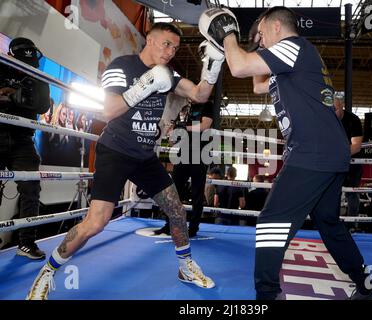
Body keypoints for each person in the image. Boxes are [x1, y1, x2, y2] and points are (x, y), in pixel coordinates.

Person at [26, 22, 224, 299]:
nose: (170, 52)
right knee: (96, 223)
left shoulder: (169, 74)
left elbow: (199, 94)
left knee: (177, 211)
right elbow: (109, 110)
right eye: (166, 44)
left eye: (175, 48)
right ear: (150, 40)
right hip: (115, 151)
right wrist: (144, 85)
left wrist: (213, 66)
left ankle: (186, 267)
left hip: (144, 156)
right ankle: (47, 271)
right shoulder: (122, 66)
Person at [199, 6, 372, 300]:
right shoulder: (289, 60)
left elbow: (239, 67)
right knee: (329, 223)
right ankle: (366, 286)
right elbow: (258, 84)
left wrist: (228, 33)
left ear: (275, 27)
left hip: (313, 151)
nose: (259, 39)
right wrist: (251, 46)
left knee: (271, 222)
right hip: (327, 152)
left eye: (261, 33)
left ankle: (268, 295)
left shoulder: (292, 47)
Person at [0, 37, 51, 260]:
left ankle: (26, 243)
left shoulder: (38, 75)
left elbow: (42, 105)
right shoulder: (1, 65)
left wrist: (11, 95)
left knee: (31, 189)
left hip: (23, 138)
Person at [153, 99, 214, 237]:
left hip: (200, 153)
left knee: (197, 193)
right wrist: (173, 134)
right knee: (174, 191)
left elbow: (205, 125)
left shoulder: (207, 104)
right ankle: (170, 225)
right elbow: (176, 134)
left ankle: (193, 228)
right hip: (183, 153)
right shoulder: (185, 108)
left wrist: (184, 128)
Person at [334, 91, 363, 220]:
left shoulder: (353, 120)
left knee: (352, 193)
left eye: (334, 109)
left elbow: (356, 146)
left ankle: (353, 222)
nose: (332, 112)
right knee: (332, 191)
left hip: (353, 162)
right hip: (334, 162)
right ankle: (331, 221)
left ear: (341, 106)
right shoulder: (326, 121)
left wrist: (337, 156)